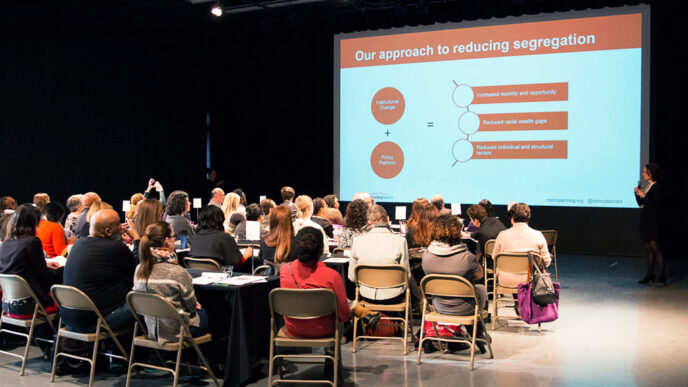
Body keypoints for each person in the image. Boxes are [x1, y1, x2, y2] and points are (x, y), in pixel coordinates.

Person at [279, 227, 380, 338]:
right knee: (345, 305)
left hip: (294, 329)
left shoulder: (285, 271)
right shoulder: (332, 276)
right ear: (321, 248)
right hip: (324, 330)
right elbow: (344, 316)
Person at [61, 209, 138, 332]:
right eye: (118, 224)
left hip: (69, 319)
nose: (122, 227)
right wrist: (137, 238)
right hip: (96, 321)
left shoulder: (77, 244)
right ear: (108, 231)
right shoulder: (115, 248)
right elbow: (137, 273)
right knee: (144, 304)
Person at [422, 214, 489, 352]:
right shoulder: (466, 257)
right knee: (480, 289)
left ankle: (472, 335)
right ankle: (478, 334)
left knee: (471, 295)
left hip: (439, 307)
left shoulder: (426, 256)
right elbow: (480, 275)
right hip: (465, 308)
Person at [133, 221, 208, 342]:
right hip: (178, 332)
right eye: (174, 236)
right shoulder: (177, 272)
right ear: (167, 241)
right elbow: (191, 307)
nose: (175, 239)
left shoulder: (139, 270)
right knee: (209, 312)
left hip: (150, 330)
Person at [0, 204, 62, 318]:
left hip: (8, 306)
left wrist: (46, 264)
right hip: (31, 306)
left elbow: (16, 267)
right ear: (34, 221)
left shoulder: (5, 243)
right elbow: (44, 276)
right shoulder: (32, 242)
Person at [492, 203, 551, 314]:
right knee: (527, 274)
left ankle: (519, 305)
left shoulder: (502, 235)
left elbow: (495, 257)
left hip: (505, 280)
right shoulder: (537, 235)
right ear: (528, 217)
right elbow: (546, 262)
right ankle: (524, 306)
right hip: (530, 281)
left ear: (512, 218)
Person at [349, 205, 411, 304]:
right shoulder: (400, 241)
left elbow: (352, 277)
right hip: (394, 296)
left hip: (366, 295)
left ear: (369, 221)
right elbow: (406, 276)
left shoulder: (357, 241)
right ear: (387, 219)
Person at [634, 163, 666, 286]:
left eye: (645, 171)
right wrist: (637, 194)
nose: (643, 174)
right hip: (646, 220)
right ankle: (650, 274)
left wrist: (643, 195)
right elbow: (641, 203)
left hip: (653, 221)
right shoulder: (649, 186)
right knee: (647, 247)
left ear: (650, 173)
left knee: (655, 247)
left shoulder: (657, 187)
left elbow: (654, 206)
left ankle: (663, 275)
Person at [259, 206, 296, 271]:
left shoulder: (263, 241)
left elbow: (261, 263)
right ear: (289, 221)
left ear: (272, 220)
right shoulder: (294, 242)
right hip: (287, 279)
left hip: (268, 279)